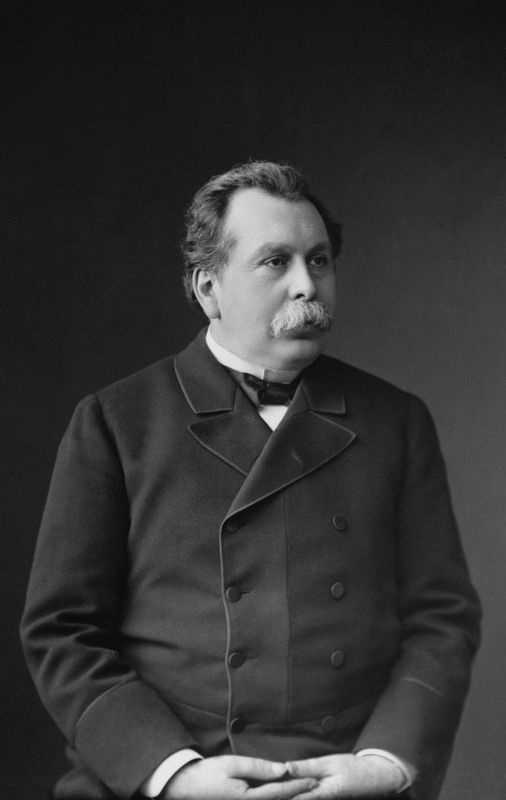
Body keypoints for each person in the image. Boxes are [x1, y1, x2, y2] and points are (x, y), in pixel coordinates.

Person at [21, 161, 481, 800]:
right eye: (275, 261)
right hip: (168, 776)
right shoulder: (114, 422)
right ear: (209, 288)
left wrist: (385, 762)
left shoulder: (397, 421)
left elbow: (442, 618)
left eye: (318, 261)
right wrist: (172, 773)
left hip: (343, 779)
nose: (307, 285)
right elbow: (62, 631)